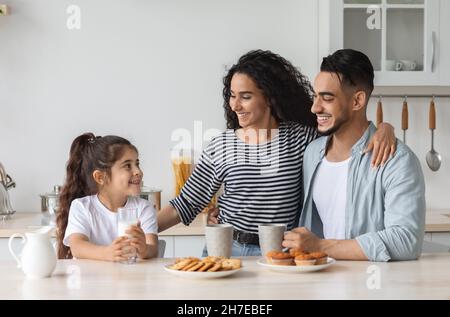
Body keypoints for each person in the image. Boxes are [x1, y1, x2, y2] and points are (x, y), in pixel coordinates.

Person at [158, 50, 396, 257]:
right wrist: (137, 231)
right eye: (232, 95)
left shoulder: (303, 139)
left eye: (246, 97)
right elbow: (186, 203)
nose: (235, 105)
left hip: (280, 252)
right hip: (227, 248)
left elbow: (347, 133)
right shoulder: (222, 145)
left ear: (270, 97)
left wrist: (385, 128)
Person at [282, 49, 425, 262]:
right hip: (320, 282)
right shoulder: (312, 153)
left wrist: (319, 246)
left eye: (327, 98)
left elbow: (406, 241)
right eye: (315, 96)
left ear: (357, 101)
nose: (315, 107)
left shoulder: (397, 160)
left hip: (372, 286)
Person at [56, 133, 158, 261]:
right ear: (100, 177)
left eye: (137, 163)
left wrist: (144, 249)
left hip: (130, 279)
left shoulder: (144, 208)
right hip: (91, 280)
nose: (138, 171)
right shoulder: (82, 207)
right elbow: (77, 247)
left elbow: (153, 249)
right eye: (127, 165)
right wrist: (107, 253)